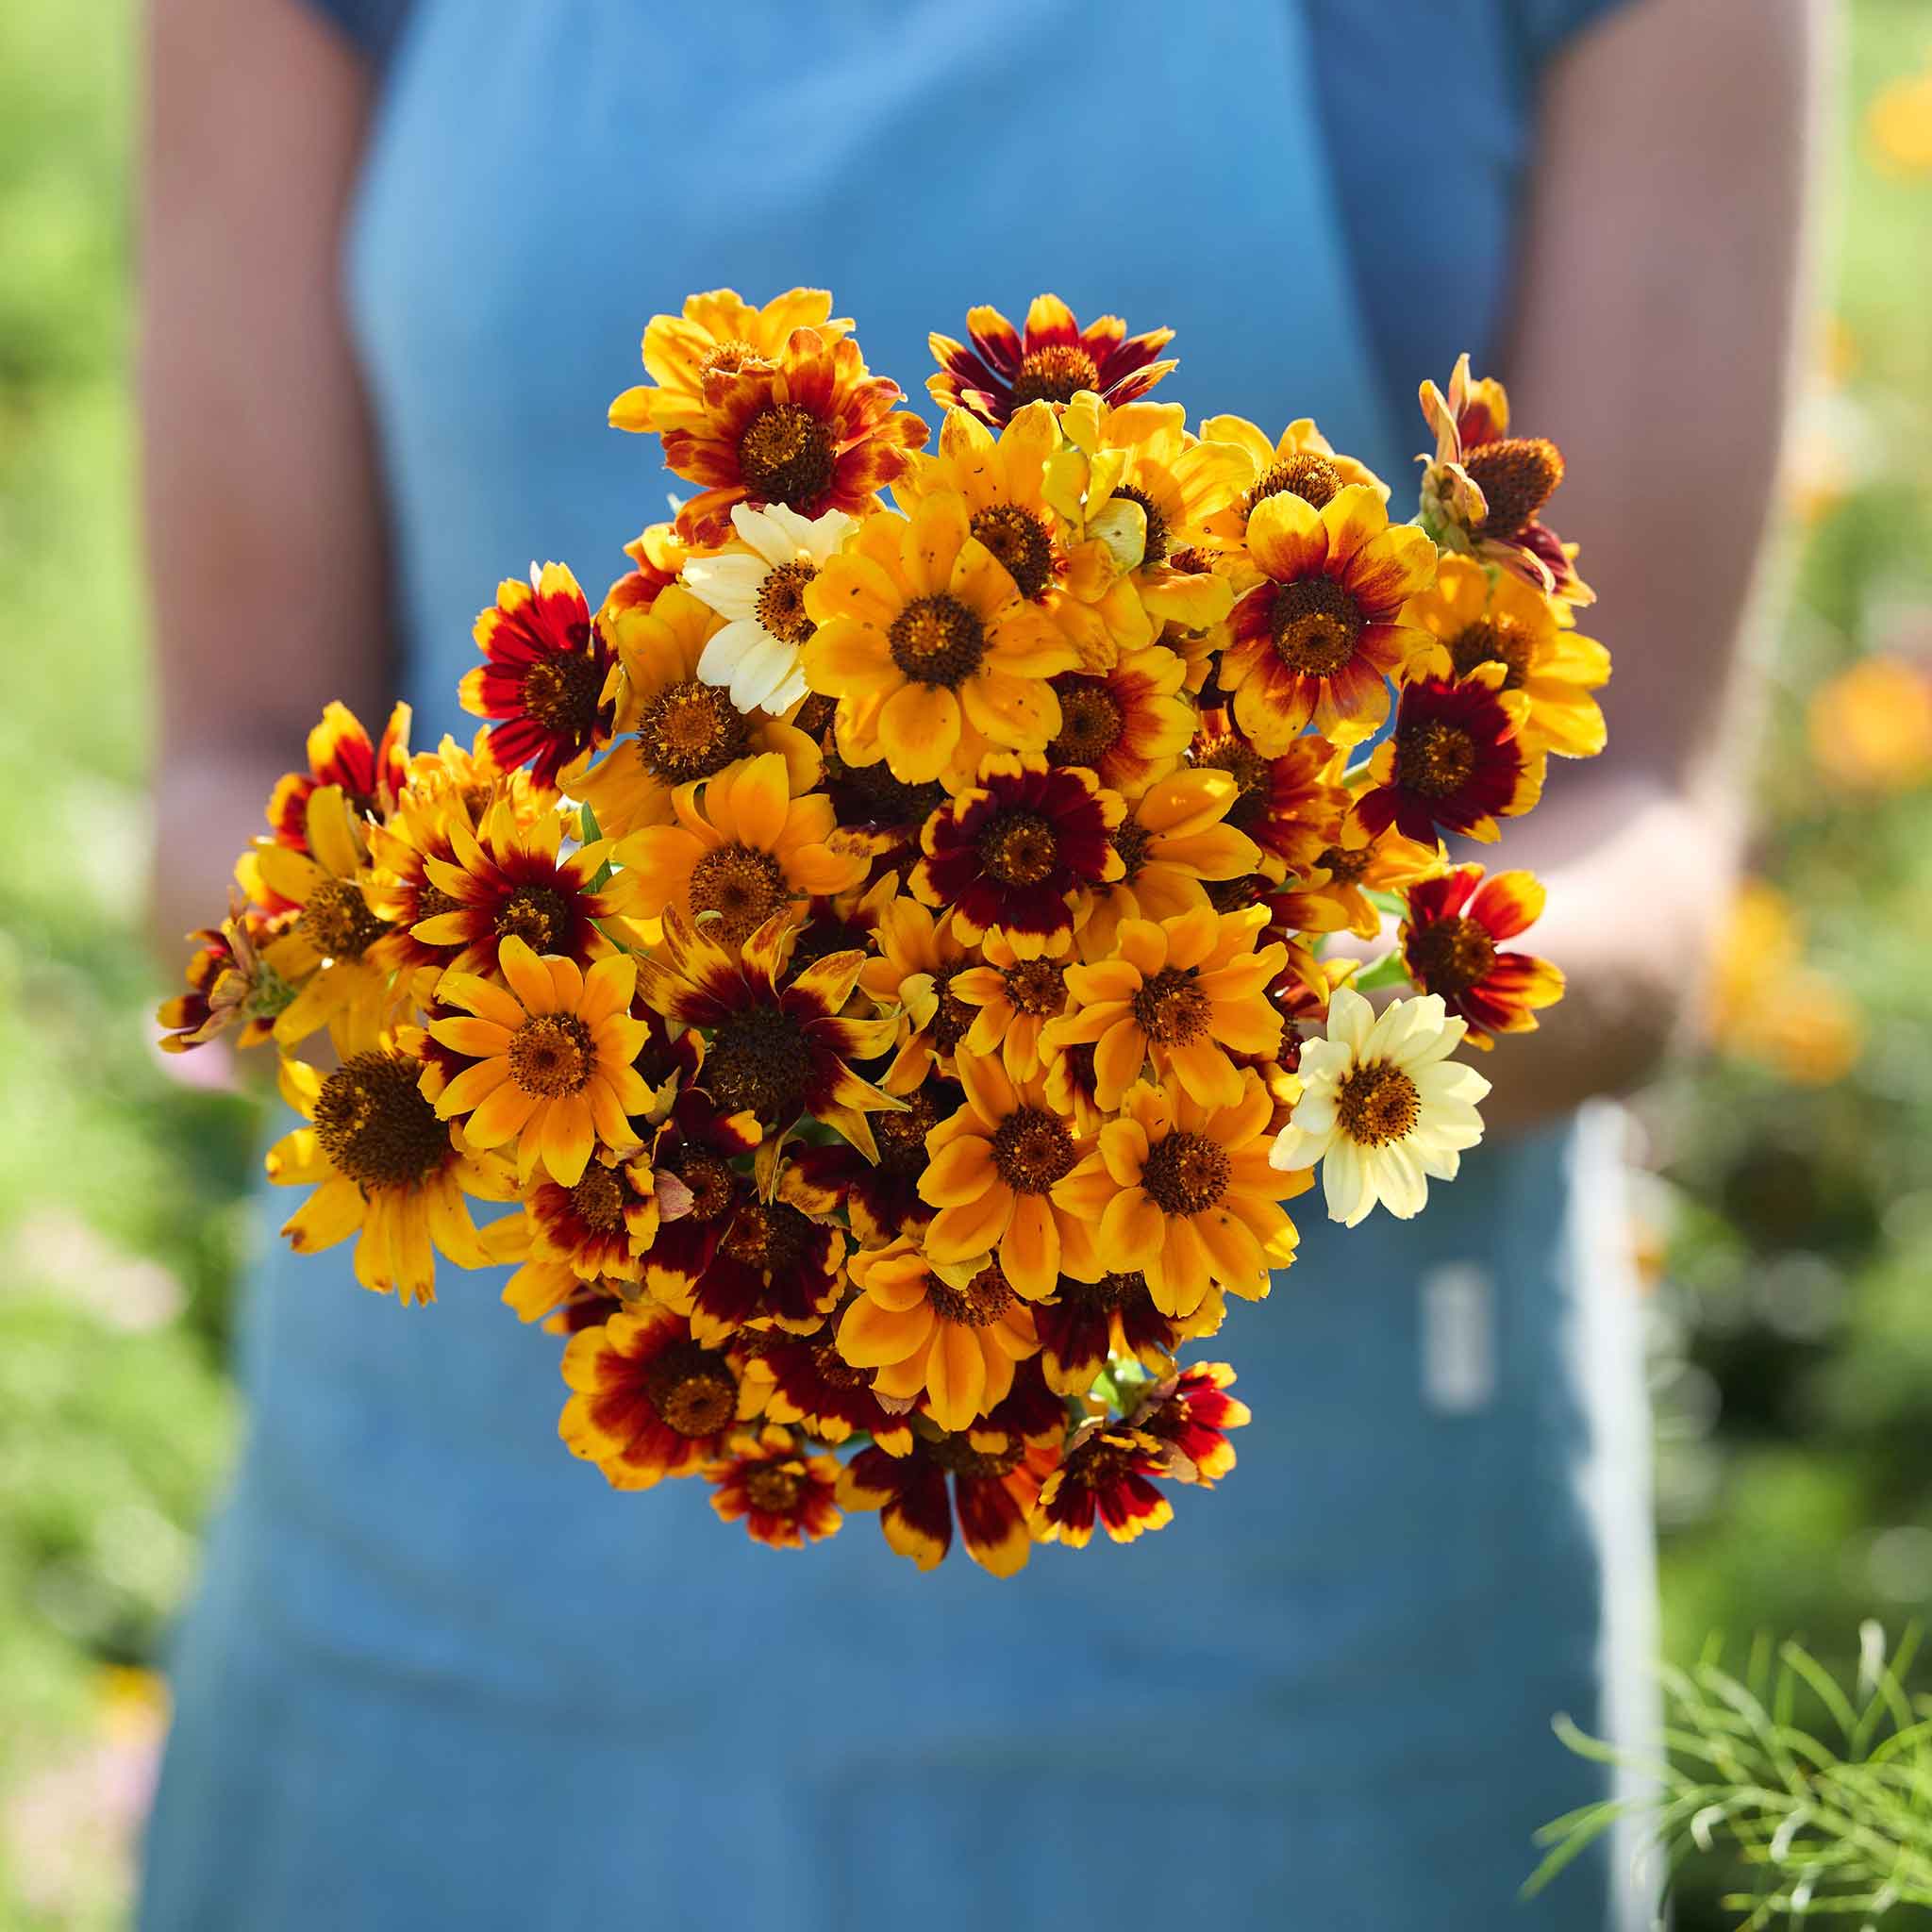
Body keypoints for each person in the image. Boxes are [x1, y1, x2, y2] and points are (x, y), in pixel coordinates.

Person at [138, 1, 1820, 1925]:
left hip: (1294, 1662)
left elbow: (1638, 824)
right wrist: (546, 1038)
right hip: (459, 1592)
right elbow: (225, 769)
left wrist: (1245, 1016)